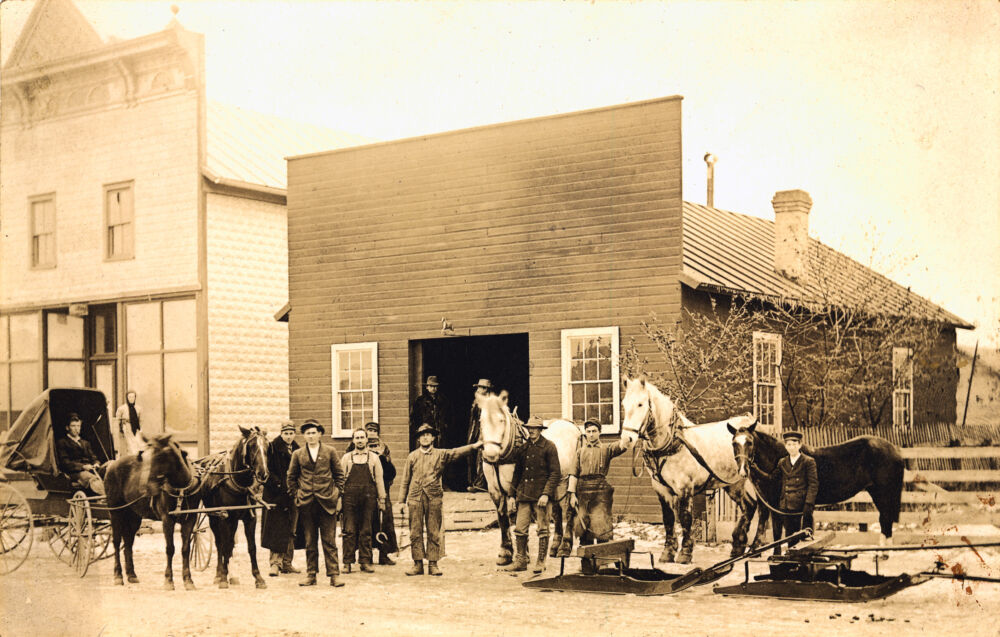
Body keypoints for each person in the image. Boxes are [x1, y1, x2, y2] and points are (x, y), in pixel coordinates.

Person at [400, 423, 483, 576]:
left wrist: (474, 446)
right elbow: (405, 480)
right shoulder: (412, 456)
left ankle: (433, 563)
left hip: (434, 498)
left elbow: (456, 452)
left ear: (433, 438)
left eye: (428, 434)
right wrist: (400, 502)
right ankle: (417, 564)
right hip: (415, 498)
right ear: (418, 439)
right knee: (415, 532)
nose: (425, 437)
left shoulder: (441, 454)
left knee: (433, 531)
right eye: (422, 435)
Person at [287, 419, 346, 587]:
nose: (311, 436)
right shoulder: (298, 454)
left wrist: (336, 494)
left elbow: (339, 475)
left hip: (327, 502)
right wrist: (297, 495)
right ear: (304, 436)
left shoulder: (330, 451)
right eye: (307, 433)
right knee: (309, 541)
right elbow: (291, 477)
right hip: (306, 503)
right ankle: (311, 574)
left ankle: (334, 575)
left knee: (329, 541)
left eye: (314, 432)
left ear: (320, 434)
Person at [566, 419, 628, 570]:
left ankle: (603, 563)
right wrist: (572, 495)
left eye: (594, 431)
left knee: (602, 527)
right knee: (583, 527)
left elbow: (622, 445)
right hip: (582, 490)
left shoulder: (607, 449)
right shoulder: (580, 452)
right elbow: (573, 474)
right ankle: (586, 565)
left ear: (599, 432)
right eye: (588, 431)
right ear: (585, 433)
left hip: (600, 490)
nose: (591, 434)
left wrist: (628, 431)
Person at [507, 416, 560, 574]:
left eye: (535, 428)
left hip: (541, 498)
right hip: (524, 496)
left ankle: (541, 561)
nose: (531, 431)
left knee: (543, 530)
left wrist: (546, 494)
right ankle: (521, 560)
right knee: (520, 529)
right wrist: (511, 496)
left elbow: (555, 473)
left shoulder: (549, 447)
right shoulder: (523, 449)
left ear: (540, 430)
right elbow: (517, 473)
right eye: (529, 428)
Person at [759, 430, 819, 552]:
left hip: (800, 507)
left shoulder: (808, 461)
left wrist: (808, 504)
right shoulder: (782, 462)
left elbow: (813, 484)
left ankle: (799, 566)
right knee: (789, 536)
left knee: (800, 538)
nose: (792, 447)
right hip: (785, 506)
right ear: (785, 446)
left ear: (800, 445)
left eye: (794, 444)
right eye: (789, 445)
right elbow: (771, 478)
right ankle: (790, 566)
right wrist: (755, 470)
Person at [339, 428, 387, 574]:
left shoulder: (374, 458)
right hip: (349, 499)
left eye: (362, 437)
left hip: (368, 498)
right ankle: (347, 562)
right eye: (357, 438)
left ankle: (365, 561)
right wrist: (339, 500)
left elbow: (379, 479)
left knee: (366, 530)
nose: (359, 440)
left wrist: (382, 499)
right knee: (349, 530)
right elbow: (340, 481)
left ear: (366, 440)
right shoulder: (346, 458)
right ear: (353, 440)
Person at [262, 421, 302, 577]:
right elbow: (267, 471)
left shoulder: (298, 450)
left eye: (291, 433)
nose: (289, 436)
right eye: (286, 433)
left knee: (292, 530)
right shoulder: (272, 448)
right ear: (281, 433)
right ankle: (275, 564)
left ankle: (287, 563)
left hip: (293, 495)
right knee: (277, 529)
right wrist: (279, 485)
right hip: (276, 495)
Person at [56, 413, 106, 495]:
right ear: (67, 428)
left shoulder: (85, 443)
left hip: (91, 469)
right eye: (73, 426)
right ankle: (105, 497)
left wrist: (96, 463)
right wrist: (83, 466)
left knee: (109, 467)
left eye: (78, 426)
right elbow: (65, 463)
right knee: (91, 478)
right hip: (75, 473)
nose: (76, 429)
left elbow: (93, 457)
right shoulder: (62, 443)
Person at [466, 378, 493, 491]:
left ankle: (481, 484)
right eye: (478, 387)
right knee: (472, 455)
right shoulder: (476, 400)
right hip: (475, 431)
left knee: (482, 456)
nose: (478, 390)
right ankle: (473, 482)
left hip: (486, 432)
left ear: (486, 389)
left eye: (481, 388)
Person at [409, 375, 448, 447]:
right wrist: (419, 428)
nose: (434, 388)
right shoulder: (420, 401)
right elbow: (413, 418)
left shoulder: (443, 400)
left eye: (436, 386)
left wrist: (444, 426)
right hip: (425, 433)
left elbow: (448, 417)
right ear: (427, 387)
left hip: (439, 434)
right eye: (431, 386)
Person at [113, 390, 143, 456]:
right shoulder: (121, 408)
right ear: (127, 398)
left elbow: (140, 420)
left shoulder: (138, 408)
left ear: (135, 398)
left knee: (138, 445)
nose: (131, 399)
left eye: (133, 397)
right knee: (129, 447)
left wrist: (140, 430)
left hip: (135, 428)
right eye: (129, 397)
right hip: (126, 428)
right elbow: (117, 421)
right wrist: (120, 429)